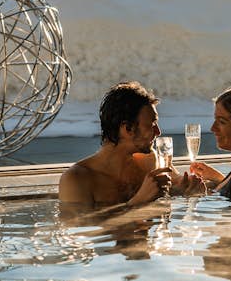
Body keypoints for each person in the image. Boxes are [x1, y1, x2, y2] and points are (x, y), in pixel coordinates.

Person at [59, 81, 205, 211]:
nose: (158, 132)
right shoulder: (76, 179)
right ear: (127, 129)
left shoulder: (148, 161)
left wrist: (182, 190)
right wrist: (136, 203)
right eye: (152, 124)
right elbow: (79, 228)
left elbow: (168, 193)